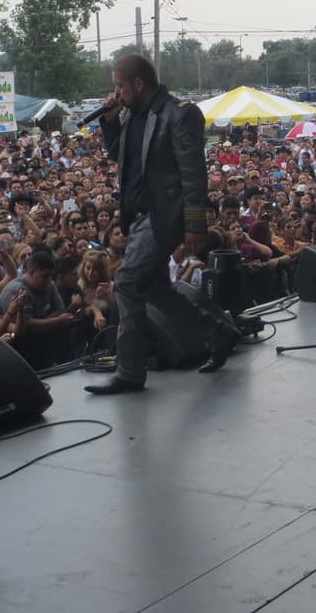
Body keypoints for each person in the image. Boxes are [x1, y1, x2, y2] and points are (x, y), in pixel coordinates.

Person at [85, 54, 239, 394]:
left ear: (138, 84)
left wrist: (195, 226)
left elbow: (193, 173)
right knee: (154, 287)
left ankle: (130, 371)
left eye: (119, 86)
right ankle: (219, 334)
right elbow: (119, 157)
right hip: (139, 217)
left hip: (162, 217)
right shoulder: (133, 115)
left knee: (125, 282)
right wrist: (110, 121)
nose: (116, 92)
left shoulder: (178, 114)